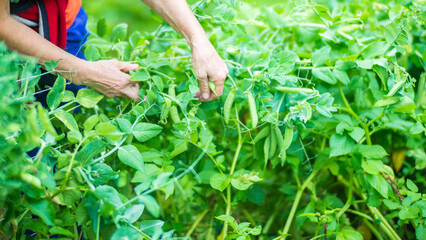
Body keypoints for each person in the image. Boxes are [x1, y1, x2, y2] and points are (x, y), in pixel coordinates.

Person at [0, 0, 229, 102]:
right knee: (21, 153)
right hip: (12, 43)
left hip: (66, 21)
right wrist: (85, 72)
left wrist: (199, 41)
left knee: (61, 143)